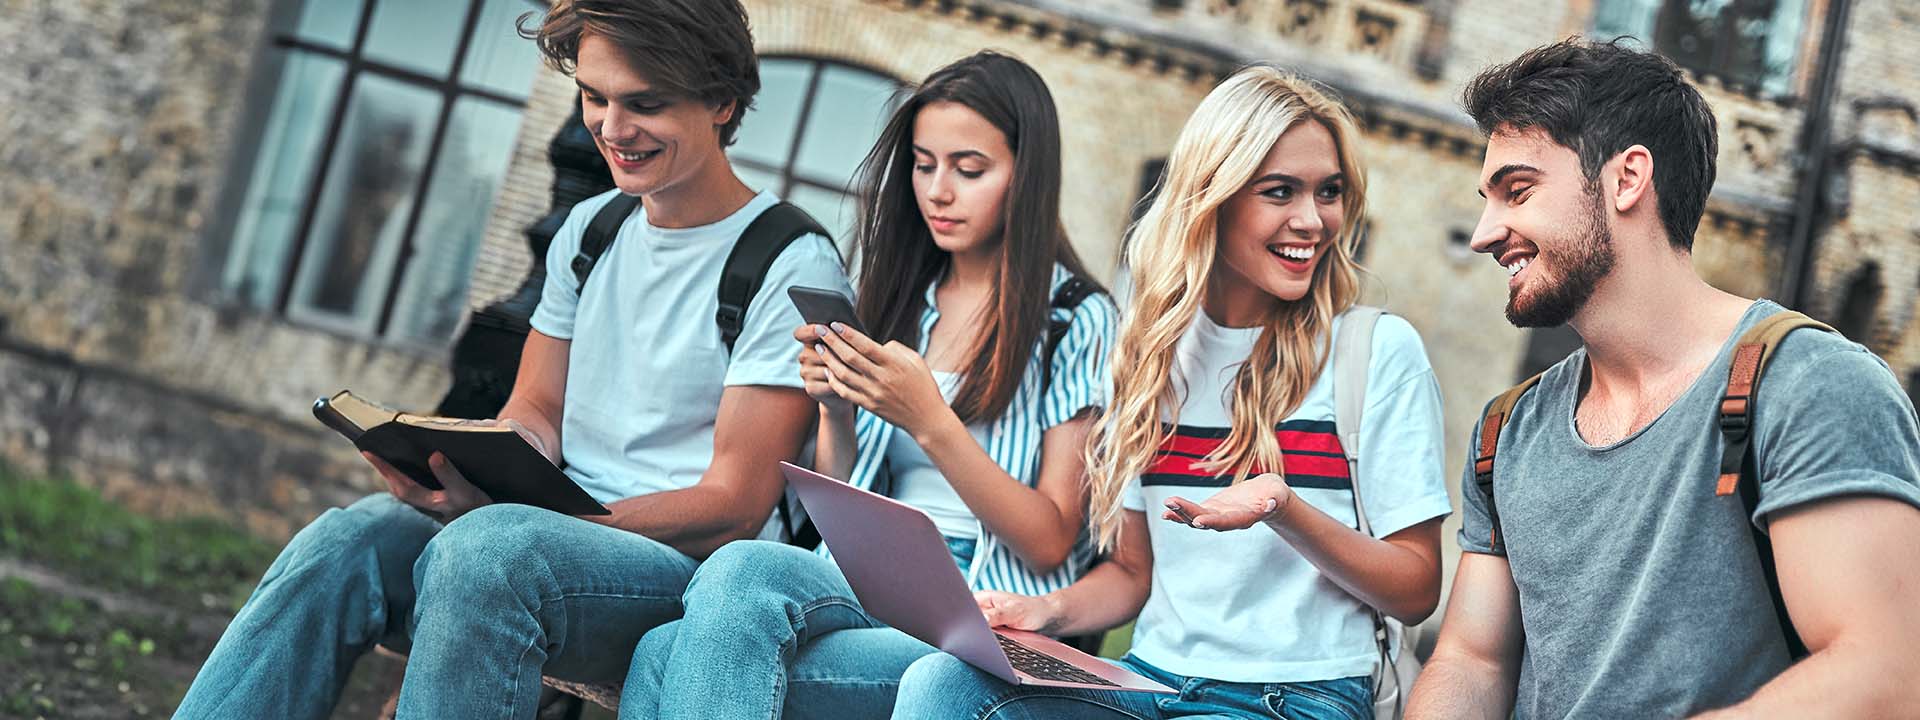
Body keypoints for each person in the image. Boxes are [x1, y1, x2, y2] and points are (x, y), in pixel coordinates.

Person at [175, 1, 851, 717]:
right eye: (595, 97)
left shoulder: (788, 262)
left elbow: (734, 506)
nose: (613, 130)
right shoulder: (593, 230)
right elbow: (536, 410)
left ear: (721, 101)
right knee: (352, 540)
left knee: (491, 552)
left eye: (645, 104)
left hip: (684, 574)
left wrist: (525, 519)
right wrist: (479, 465)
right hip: (542, 535)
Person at [889, 64, 1452, 720]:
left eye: (1328, 192)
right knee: (942, 686)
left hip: (1295, 695)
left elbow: (1416, 589)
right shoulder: (1150, 355)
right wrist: (1046, 609)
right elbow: (1132, 575)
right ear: (1213, 197)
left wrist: (1283, 507)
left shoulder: (1376, 350)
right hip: (1150, 682)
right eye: (1280, 192)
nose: (1313, 220)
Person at [1406, 39, 1920, 719]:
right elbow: (1473, 661)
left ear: (1627, 179)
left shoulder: (1809, 385)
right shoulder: (1509, 429)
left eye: (1518, 191)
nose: (1484, 231)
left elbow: (1884, 674)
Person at [618, 50, 1119, 720]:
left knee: (669, 650)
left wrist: (930, 421)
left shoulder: (1075, 318)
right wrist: (835, 412)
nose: (938, 190)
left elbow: (1051, 538)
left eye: (970, 169)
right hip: (869, 570)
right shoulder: (905, 298)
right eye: (923, 163)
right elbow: (843, 497)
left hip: (980, 608)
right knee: (721, 587)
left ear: (1026, 175)